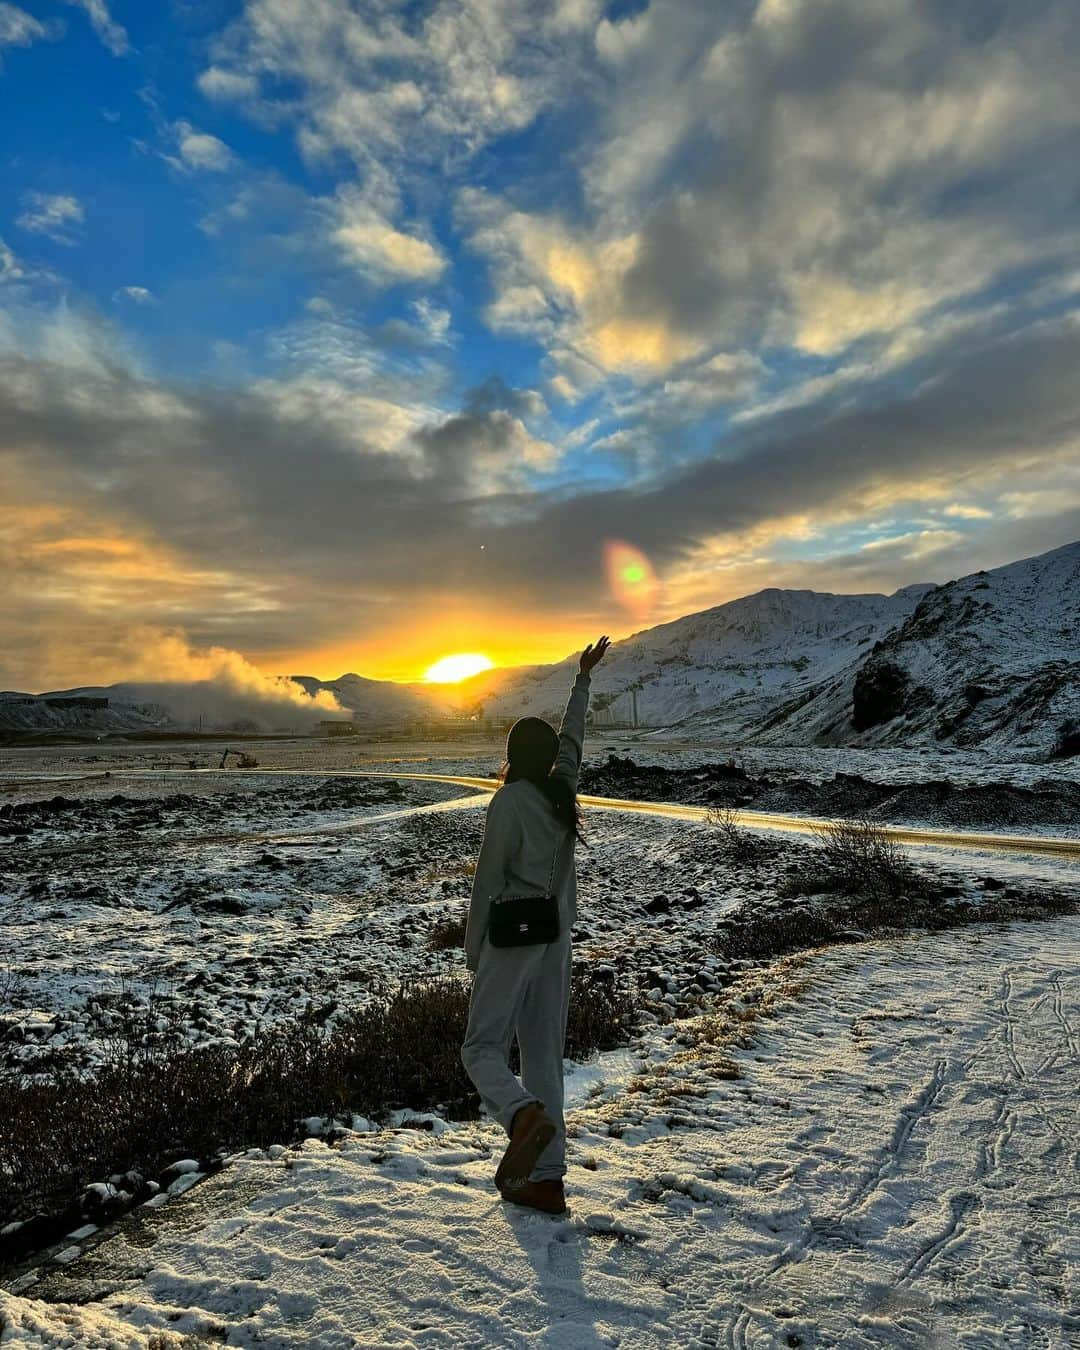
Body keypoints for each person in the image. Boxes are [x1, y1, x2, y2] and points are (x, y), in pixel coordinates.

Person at [460, 635, 611, 1215]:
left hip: (512, 938)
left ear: (511, 755)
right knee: (543, 1055)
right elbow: (575, 740)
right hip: (556, 939)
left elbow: (487, 883)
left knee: (481, 1050)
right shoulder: (561, 790)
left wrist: (476, 950)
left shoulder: (510, 802)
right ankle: (546, 1179)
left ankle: (523, 1117)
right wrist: (582, 678)